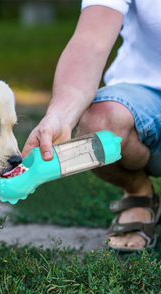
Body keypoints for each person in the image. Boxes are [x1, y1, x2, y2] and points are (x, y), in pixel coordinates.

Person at [21, 0, 161, 252]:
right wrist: (61, 116)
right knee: (100, 121)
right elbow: (90, 43)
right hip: (147, 93)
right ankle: (139, 193)